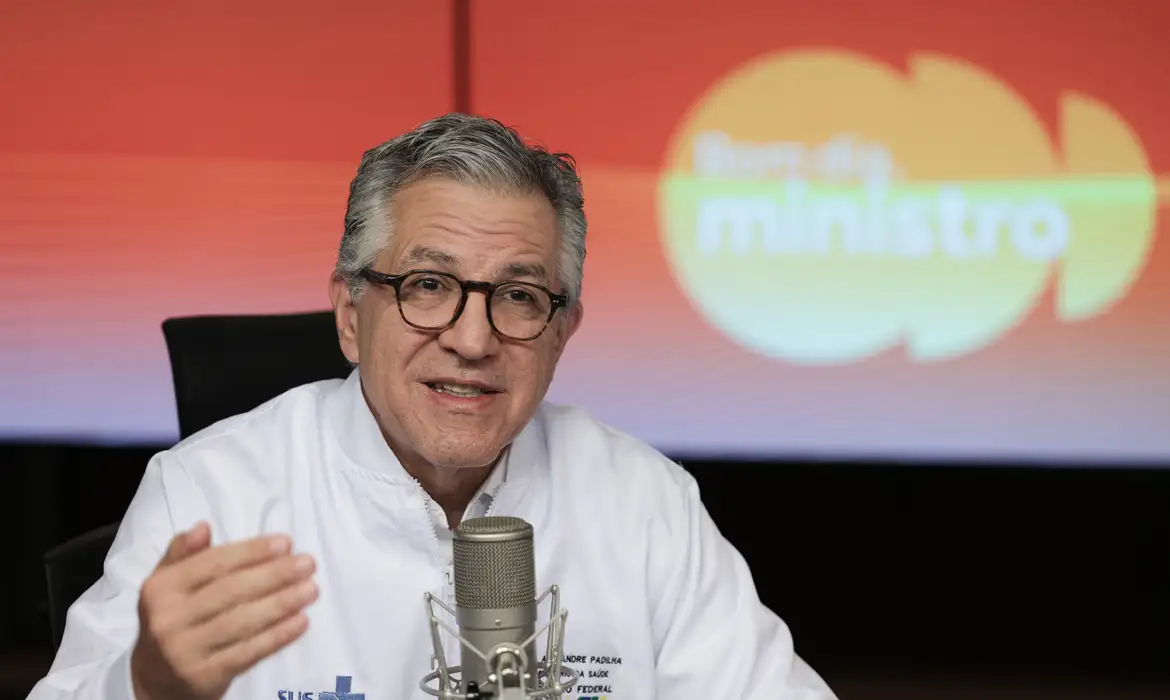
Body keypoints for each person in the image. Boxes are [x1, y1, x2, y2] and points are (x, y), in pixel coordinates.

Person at [27, 113, 838, 700]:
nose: (473, 340)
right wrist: (147, 687)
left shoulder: (641, 501)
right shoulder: (213, 493)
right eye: (428, 285)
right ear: (350, 316)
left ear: (562, 333)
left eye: (518, 296)